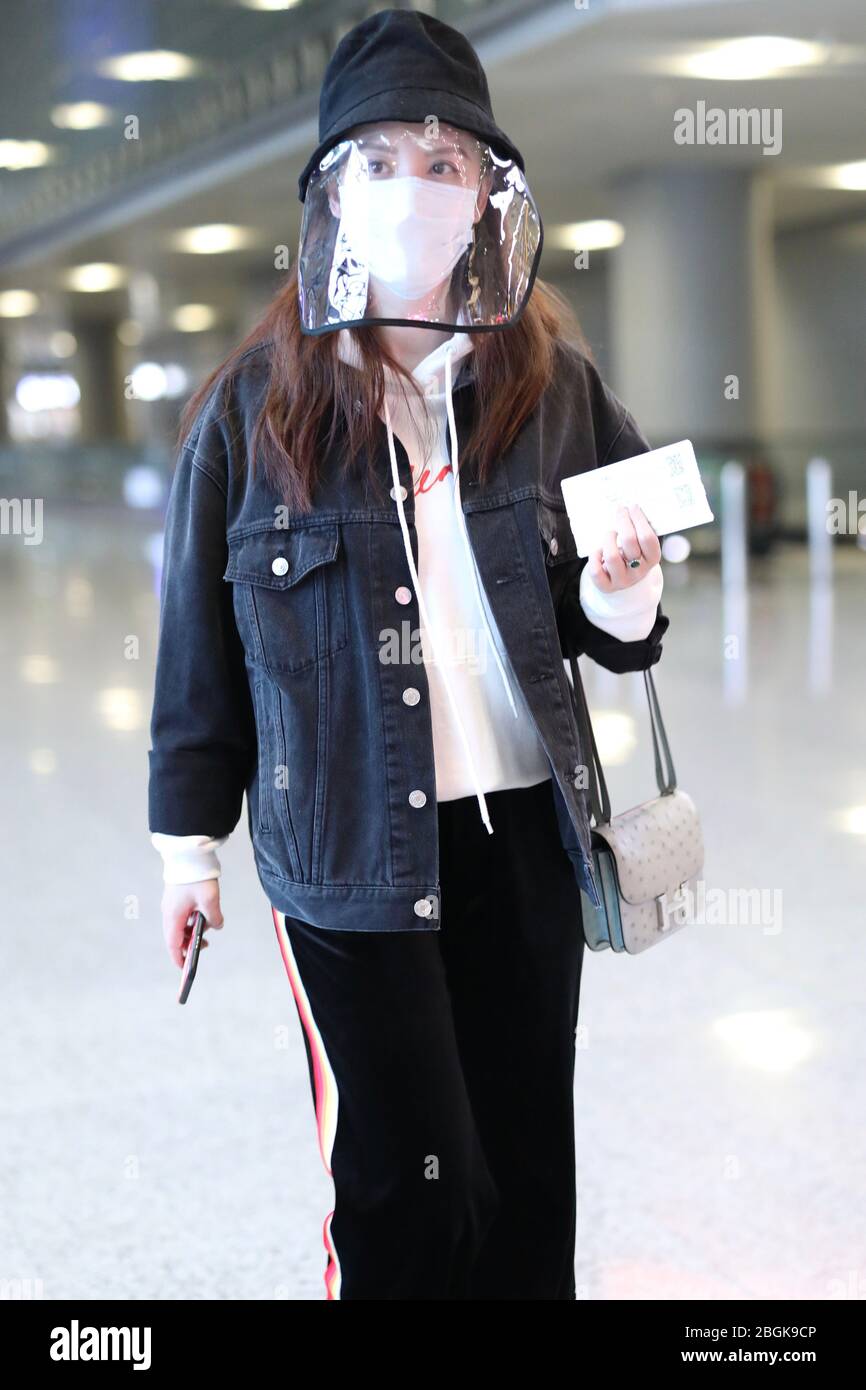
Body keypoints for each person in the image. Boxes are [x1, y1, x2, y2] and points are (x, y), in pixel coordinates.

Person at [148, 8, 668, 1300]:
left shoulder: (549, 386)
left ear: (490, 196)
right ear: (332, 188)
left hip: (519, 848)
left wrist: (627, 582)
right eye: (380, 160)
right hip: (346, 863)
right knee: (408, 1197)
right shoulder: (249, 413)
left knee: (524, 1190)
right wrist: (183, 847)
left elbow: (620, 615)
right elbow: (195, 648)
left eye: (444, 166)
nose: (413, 191)